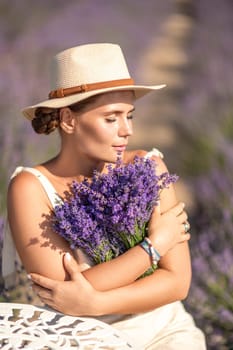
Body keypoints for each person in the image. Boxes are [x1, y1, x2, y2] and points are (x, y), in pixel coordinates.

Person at [5, 43, 206, 349]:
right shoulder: (30, 187)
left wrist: (94, 302)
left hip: (164, 328)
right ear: (70, 120)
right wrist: (155, 245)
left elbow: (177, 282)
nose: (127, 130)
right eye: (112, 118)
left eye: (130, 116)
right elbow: (62, 292)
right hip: (76, 335)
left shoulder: (148, 168)